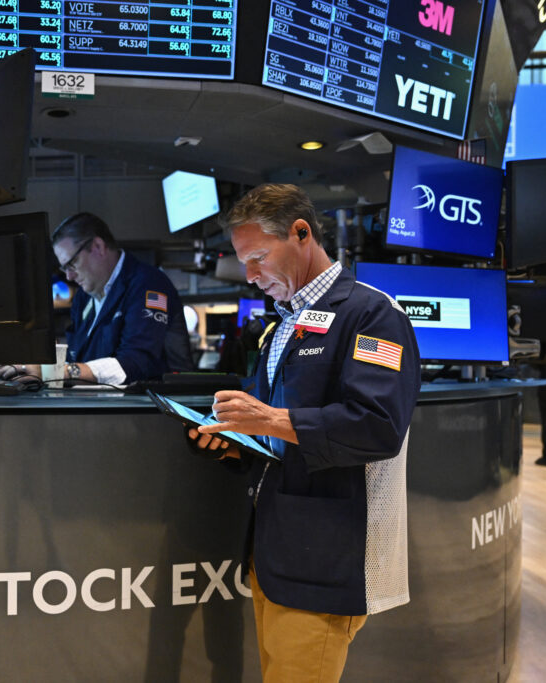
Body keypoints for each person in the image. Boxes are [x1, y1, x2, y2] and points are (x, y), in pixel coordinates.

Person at [191, 184, 421, 682]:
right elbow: (278, 442)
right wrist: (233, 442)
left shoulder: (372, 314)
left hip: (326, 558)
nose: (251, 276)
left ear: (301, 233)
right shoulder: (282, 326)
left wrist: (268, 419)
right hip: (276, 550)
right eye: (243, 262)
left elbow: (378, 427)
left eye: (258, 258)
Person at [3, 212, 192, 384]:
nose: (69, 276)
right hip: (103, 406)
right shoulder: (83, 298)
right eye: (64, 268)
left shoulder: (148, 283)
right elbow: (79, 356)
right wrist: (32, 364)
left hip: (155, 410)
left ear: (98, 247)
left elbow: (137, 362)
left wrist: (60, 371)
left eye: (72, 263)